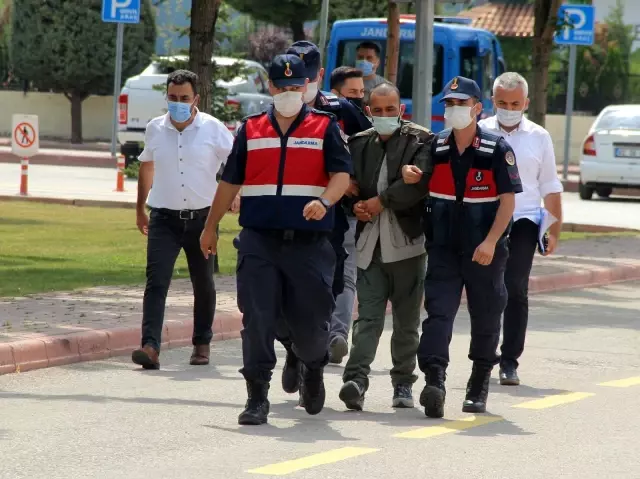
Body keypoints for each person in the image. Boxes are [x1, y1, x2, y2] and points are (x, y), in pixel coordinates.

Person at [199, 54, 351, 426]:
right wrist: (210, 225)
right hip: (259, 241)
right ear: (270, 87)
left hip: (310, 246)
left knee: (312, 325)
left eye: (295, 87)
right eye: (281, 87)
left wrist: (325, 201)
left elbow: (342, 177)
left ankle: (311, 365)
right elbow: (230, 181)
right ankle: (257, 397)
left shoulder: (324, 127)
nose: (288, 93)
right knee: (257, 319)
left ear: (306, 87)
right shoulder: (250, 130)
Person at [402, 76, 523, 418]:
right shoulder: (435, 146)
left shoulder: (497, 149)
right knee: (438, 314)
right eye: (449, 104)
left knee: (485, 315)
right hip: (443, 247)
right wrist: (413, 175)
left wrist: (490, 241)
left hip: (483, 250)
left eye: (461, 104)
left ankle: (478, 383)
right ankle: (435, 381)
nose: (454, 110)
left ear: (477, 108)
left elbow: (507, 203)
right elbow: (423, 179)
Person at [277, 41, 371, 406]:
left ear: (318, 76)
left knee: (333, 280)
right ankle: (291, 347)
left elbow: (368, 146)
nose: (297, 85)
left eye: (304, 76)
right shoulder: (272, 114)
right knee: (284, 291)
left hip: (335, 215)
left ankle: (331, 339)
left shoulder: (342, 110)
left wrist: (358, 186)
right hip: (285, 217)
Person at [339, 82, 433, 411]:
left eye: (390, 109)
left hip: (407, 245)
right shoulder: (359, 144)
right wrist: (356, 206)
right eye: (377, 111)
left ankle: (403, 384)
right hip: (369, 245)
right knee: (368, 318)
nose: (384, 115)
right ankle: (356, 380)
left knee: (407, 321)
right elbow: (347, 185)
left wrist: (379, 202)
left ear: (400, 110)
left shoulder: (421, 140)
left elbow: (417, 186)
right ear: (368, 112)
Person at [131, 69, 234, 370]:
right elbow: (146, 168)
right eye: (173, 98)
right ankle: (150, 346)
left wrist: (233, 195)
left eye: (184, 98)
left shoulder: (213, 129)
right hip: (163, 217)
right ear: (167, 97)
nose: (178, 103)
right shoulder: (154, 129)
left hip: (203, 219)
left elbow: (236, 164)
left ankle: (202, 344)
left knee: (203, 283)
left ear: (196, 99)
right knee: (156, 281)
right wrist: (140, 208)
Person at [479, 72, 563, 386]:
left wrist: (554, 230)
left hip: (525, 221)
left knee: (515, 288)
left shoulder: (539, 137)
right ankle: (484, 355)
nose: (509, 108)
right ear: (492, 101)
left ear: (526, 103)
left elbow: (550, 186)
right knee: (488, 290)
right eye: (502, 102)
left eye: (515, 103)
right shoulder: (480, 132)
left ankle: (510, 360)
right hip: (486, 220)